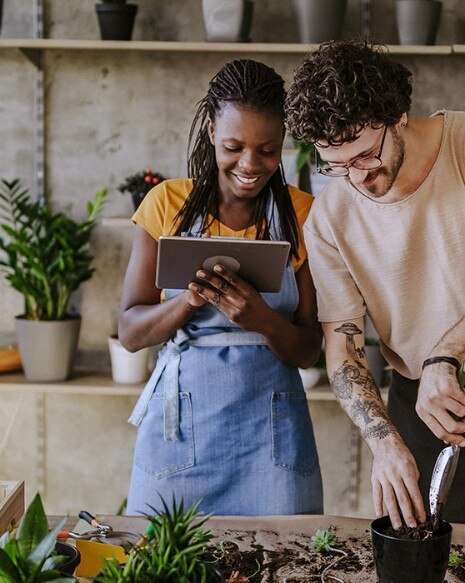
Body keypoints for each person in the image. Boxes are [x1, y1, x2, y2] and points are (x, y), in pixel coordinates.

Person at [285, 41, 465, 529]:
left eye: (364, 156)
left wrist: (447, 354)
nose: (356, 179)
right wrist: (384, 442)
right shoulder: (329, 220)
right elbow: (344, 351)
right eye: (334, 166)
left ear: (398, 113)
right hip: (420, 415)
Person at [119, 60, 323, 516]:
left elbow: (308, 349)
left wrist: (263, 321)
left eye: (268, 150)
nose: (250, 165)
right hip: (182, 438)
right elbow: (131, 333)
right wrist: (187, 303)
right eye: (234, 146)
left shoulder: (303, 214)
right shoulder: (166, 205)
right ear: (211, 131)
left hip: (270, 441)